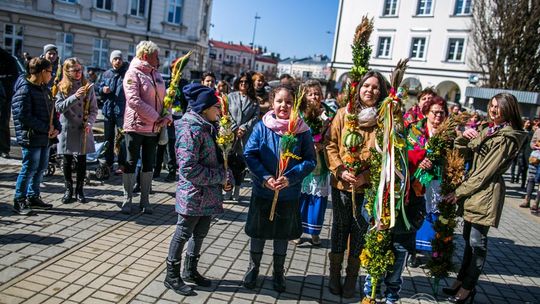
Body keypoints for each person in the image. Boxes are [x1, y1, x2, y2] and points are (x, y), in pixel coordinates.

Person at [443, 93, 527, 303]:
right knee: (468, 241)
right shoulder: (489, 130)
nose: (493, 110)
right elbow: (464, 153)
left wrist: (459, 192)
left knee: (477, 243)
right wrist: (464, 136)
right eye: (491, 106)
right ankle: (461, 281)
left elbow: (485, 172)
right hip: (475, 191)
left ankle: (468, 287)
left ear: (509, 109)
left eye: (498, 107)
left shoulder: (507, 137)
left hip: (486, 193)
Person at [242, 84, 316, 292]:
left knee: (282, 234)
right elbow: (250, 154)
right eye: (279, 101)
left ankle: (278, 271)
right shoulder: (262, 126)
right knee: (259, 232)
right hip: (263, 190)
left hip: (288, 193)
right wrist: (265, 177)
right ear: (272, 102)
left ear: (295, 105)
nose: (284, 105)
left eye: (289, 102)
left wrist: (290, 178)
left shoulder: (301, 130)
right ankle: (253, 267)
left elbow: (310, 160)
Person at [164, 83, 233, 296]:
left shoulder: (207, 126)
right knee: (184, 231)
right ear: (204, 108)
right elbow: (188, 169)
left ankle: (190, 270)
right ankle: (171, 275)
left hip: (207, 194)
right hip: (193, 194)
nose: (219, 111)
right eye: (216, 107)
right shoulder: (190, 129)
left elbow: (215, 159)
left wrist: (226, 175)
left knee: (200, 232)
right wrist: (220, 176)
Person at [326, 71, 388, 298]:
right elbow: (330, 144)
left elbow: (386, 157)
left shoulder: (383, 121)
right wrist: (340, 169)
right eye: (366, 86)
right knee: (340, 229)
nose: (369, 91)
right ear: (358, 88)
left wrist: (367, 177)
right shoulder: (344, 114)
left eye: (375, 87)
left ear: (380, 92)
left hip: (367, 187)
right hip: (342, 184)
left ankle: (352, 277)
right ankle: (334, 274)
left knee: (360, 231)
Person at [121, 40, 171, 214]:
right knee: (131, 161)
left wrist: (167, 116)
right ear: (145, 56)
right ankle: (127, 199)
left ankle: (145, 200)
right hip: (135, 126)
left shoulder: (156, 74)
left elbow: (166, 99)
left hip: (153, 128)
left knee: (149, 163)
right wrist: (157, 117)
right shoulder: (132, 73)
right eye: (155, 56)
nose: (158, 59)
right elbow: (134, 101)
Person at [11, 57, 61, 214]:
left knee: (40, 168)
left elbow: (52, 113)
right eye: (50, 72)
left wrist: (56, 127)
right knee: (29, 168)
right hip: (31, 137)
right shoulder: (25, 89)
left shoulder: (44, 89)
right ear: (41, 72)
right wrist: (46, 128)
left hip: (44, 137)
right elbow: (23, 115)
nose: (51, 75)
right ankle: (19, 199)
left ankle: (33, 197)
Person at [405, 96, 449, 269]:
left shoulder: (448, 133)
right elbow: (407, 149)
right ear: (427, 112)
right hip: (417, 178)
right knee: (416, 212)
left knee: (433, 215)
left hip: (438, 180)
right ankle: (412, 251)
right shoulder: (415, 130)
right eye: (435, 112)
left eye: (441, 113)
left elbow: (454, 157)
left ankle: (433, 251)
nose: (438, 116)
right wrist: (419, 160)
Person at [55, 58, 98, 204]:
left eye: (80, 69)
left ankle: (80, 190)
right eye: (75, 70)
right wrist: (75, 97)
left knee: (82, 160)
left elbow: (94, 110)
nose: (79, 73)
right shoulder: (61, 86)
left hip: (83, 127)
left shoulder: (88, 86)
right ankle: (68, 189)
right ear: (67, 71)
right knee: (66, 159)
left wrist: (90, 123)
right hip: (68, 126)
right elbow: (59, 107)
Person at [296, 80, 333, 246]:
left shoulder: (327, 114)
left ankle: (314, 232)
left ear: (322, 96)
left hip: (321, 164)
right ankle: (296, 230)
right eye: (310, 94)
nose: (314, 97)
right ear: (304, 96)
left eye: (317, 93)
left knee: (317, 199)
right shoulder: (298, 114)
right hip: (303, 162)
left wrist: (322, 144)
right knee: (301, 198)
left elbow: (334, 136)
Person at [227, 72, 260, 201]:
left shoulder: (254, 100)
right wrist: (235, 128)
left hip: (245, 136)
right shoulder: (231, 96)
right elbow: (227, 113)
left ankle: (237, 189)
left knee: (240, 164)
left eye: (246, 82)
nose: (243, 84)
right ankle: (227, 188)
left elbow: (255, 117)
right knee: (228, 162)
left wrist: (244, 127)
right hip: (230, 134)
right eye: (241, 82)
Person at [99, 50, 128, 174]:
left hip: (121, 111)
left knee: (121, 139)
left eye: (119, 59)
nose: (117, 61)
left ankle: (121, 164)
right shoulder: (106, 74)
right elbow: (98, 87)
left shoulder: (126, 74)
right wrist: (102, 89)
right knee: (108, 139)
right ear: (111, 61)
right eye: (115, 59)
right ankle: (109, 163)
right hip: (108, 110)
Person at [0, 47, 20, 158]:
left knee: (3, 121)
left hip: (4, 95)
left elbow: (14, 79)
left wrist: (8, 94)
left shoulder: (7, 59)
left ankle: (4, 149)